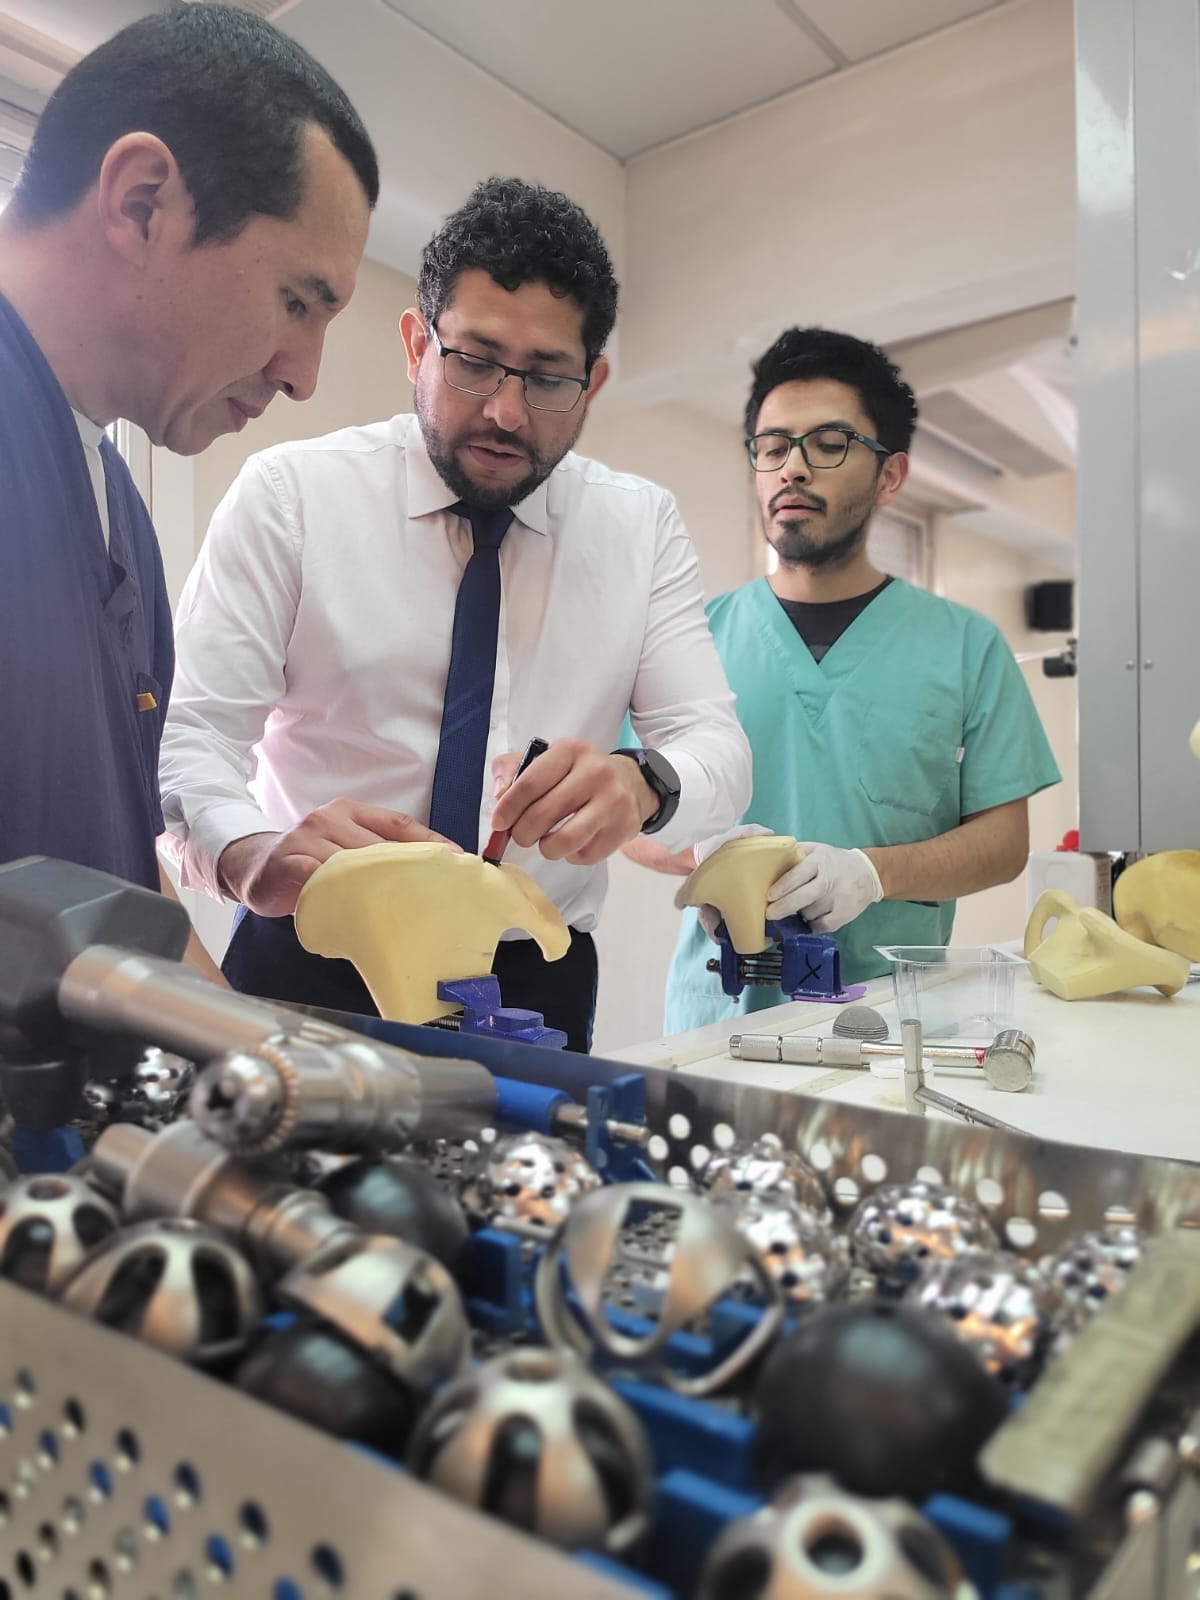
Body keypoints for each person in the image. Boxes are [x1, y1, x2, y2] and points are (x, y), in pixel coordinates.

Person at [159, 176, 751, 1052]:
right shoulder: (292, 498)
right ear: (416, 345)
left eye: (547, 378)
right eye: (474, 361)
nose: (505, 412)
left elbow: (717, 748)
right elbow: (191, 736)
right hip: (313, 954)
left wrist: (645, 782)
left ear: (591, 384)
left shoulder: (639, 527)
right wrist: (249, 852)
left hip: (534, 980)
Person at [0, 5, 380, 976]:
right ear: (141, 203)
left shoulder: (117, 512)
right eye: (296, 301)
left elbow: (122, 878)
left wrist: (264, 1045)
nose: (303, 375)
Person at [627, 327, 1061, 1033]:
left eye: (828, 444)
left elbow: (1004, 844)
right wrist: (703, 851)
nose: (792, 469)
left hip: (891, 1024)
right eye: (773, 447)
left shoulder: (965, 646)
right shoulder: (690, 637)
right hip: (716, 1025)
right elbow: (629, 816)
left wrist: (872, 872)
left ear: (890, 475)